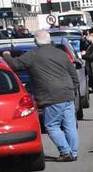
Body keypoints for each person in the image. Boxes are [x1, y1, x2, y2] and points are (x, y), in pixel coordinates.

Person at [10, 28, 79, 162]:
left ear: (35, 41)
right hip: (67, 93)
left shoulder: (33, 55)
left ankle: (65, 152)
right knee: (70, 126)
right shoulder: (61, 53)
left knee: (51, 125)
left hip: (51, 96)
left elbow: (15, 64)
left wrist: (6, 55)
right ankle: (73, 152)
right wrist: (73, 89)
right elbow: (73, 75)